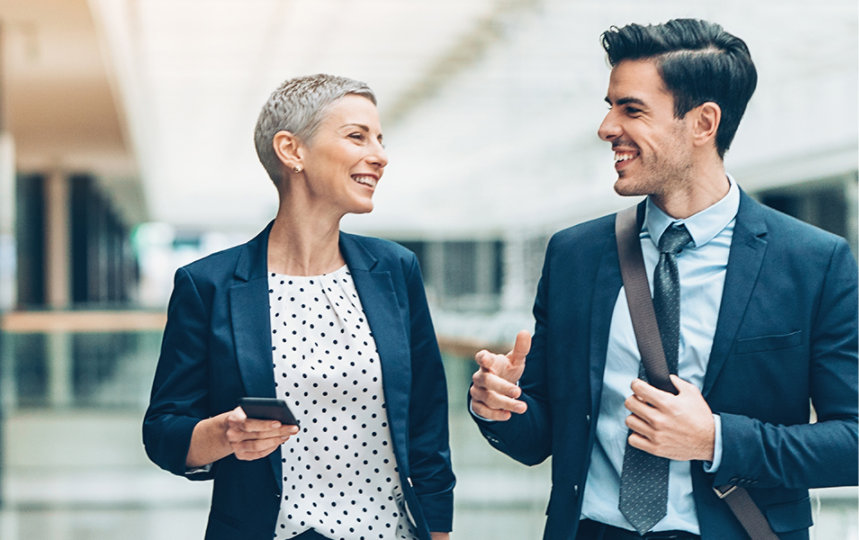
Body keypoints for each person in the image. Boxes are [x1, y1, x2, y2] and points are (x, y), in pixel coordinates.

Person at [469, 18, 857, 540]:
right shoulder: (576, 255)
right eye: (608, 106)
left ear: (703, 123)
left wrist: (716, 440)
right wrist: (499, 408)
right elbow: (539, 435)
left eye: (630, 109)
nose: (607, 128)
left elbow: (853, 443)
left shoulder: (812, 261)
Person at [144, 74, 454, 540]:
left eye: (380, 139)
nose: (380, 155)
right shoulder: (208, 284)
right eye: (357, 136)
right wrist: (222, 435)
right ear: (292, 151)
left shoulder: (395, 271)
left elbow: (428, 429)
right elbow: (163, 431)